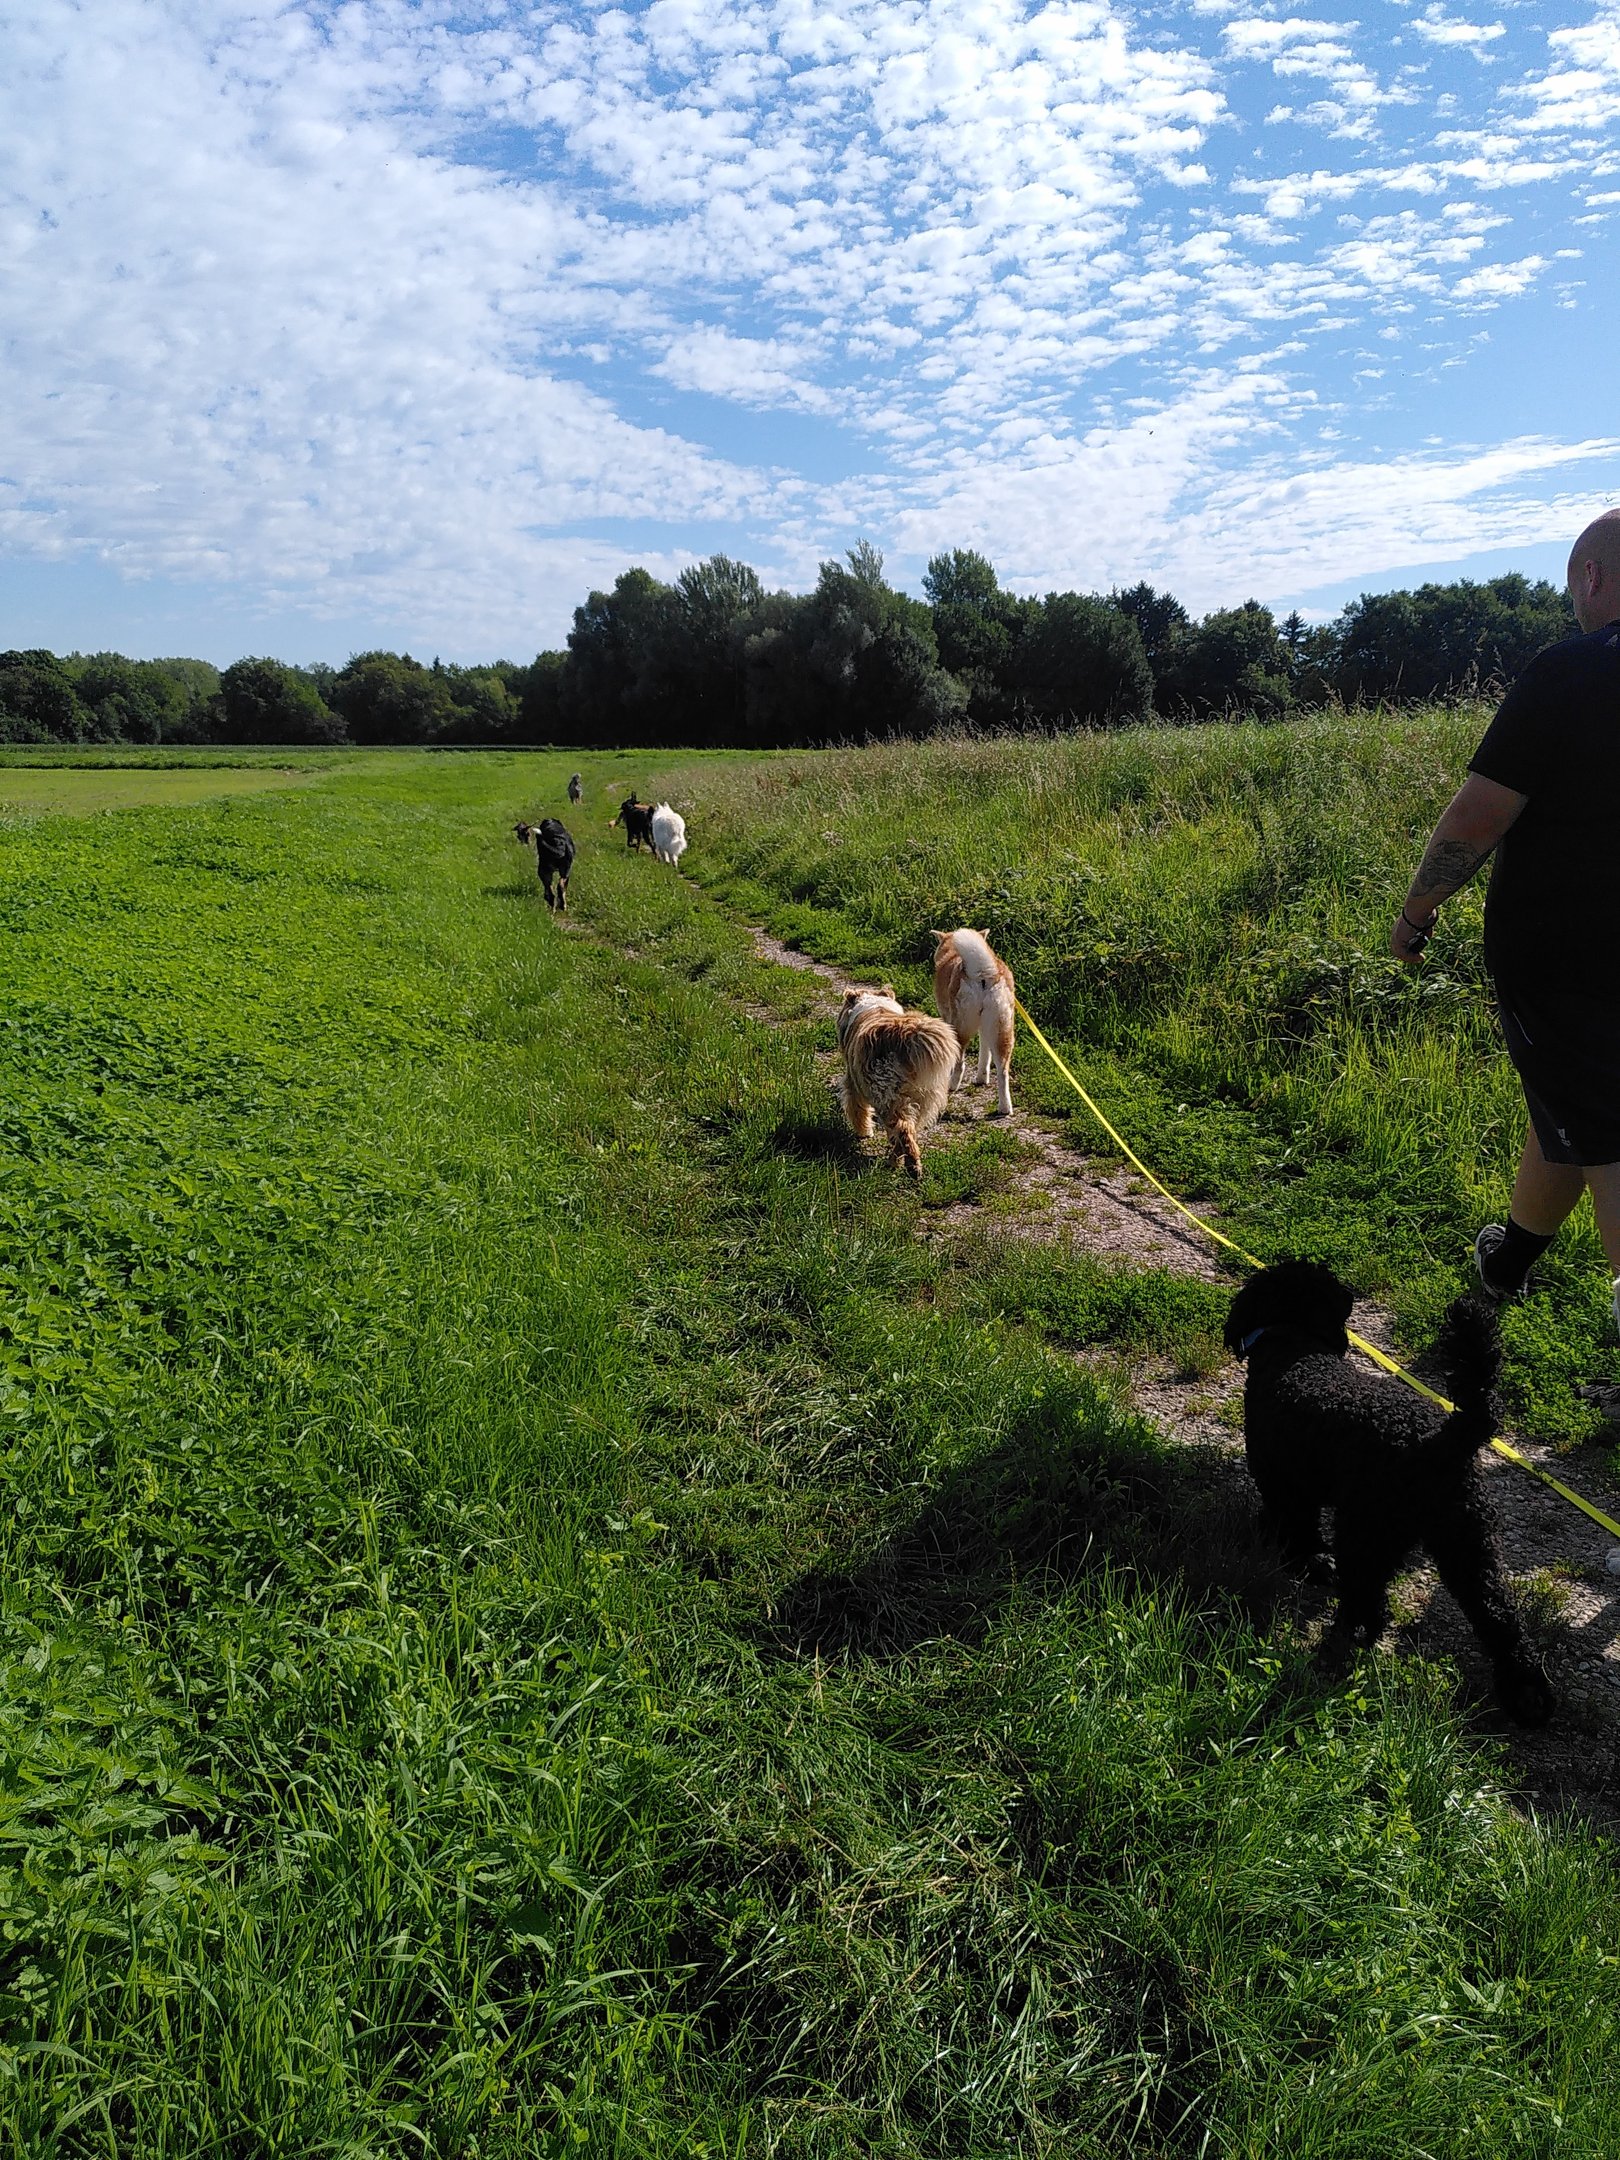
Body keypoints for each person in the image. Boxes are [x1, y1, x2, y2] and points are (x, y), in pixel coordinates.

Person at [1391, 508, 1620, 1319]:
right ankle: (1510, 1260)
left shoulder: (1573, 670)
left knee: (1608, 1127)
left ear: (1590, 576)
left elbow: (1477, 818)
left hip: (1570, 960)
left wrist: (1416, 914)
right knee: (1575, 1102)